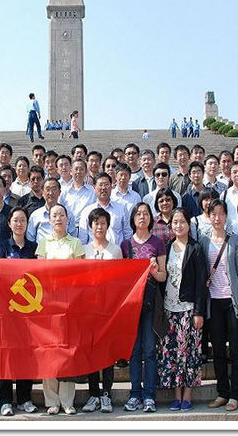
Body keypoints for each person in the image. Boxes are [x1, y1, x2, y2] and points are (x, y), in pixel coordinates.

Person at [36, 203, 86, 415]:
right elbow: (39, 272)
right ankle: (51, 401)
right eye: (54, 215)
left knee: (67, 351)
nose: (58, 218)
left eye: (61, 215)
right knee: (49, 351)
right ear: (49, 220)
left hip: (69, 304)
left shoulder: (76, 243)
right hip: (48, 304)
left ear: (67, 218)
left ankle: (67, 401)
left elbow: (81, 274)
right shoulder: (43, 243)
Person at [202, 199, 238, 412]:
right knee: (218, 349)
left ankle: (235, 395)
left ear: (226, 216)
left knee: (237, 349)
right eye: (213, 214)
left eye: (221, 213)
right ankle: (222, 392)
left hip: (232, 300)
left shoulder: (234, 240)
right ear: (209, 216)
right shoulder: (203, 240)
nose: (217, 218)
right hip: (213, 302)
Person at [159, 207, 207, 412]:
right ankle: (176, 394)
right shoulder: (166, 247)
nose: (178, 225)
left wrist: (199, 311)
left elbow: (201, 282)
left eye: (182, 222)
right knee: (172, 353)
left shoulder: (195, 248)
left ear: (189, 225)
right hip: (169, 309)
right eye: (175, 222)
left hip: (188, 309)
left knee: (189, 353)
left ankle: (187, 394)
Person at [120, 203, 167, 413]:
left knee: (149, 350)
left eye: (146, 213)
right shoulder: (126, 245)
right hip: (131, 305)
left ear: (151, 218)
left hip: (151, 303)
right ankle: (135, 394)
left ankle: (149, 395)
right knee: (134, 351)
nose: (142, 217)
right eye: (138, 214)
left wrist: (154, 269)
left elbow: (163, 276)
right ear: (133, 218)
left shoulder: (158, 243)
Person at [0, 207, 39, 415]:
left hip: (29, 310)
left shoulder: (34, 248)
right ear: (9, 223)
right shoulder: (3, 247)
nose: (19, 224)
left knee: (26, 354)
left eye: (23, 220)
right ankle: (5, 399)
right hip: (7, 309)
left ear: (27, 224)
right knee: (6, 353)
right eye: (16, 220)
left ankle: (24, 398)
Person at [78, 172, 132, 246]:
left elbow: (128, 234)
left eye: (106, 184)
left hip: (117, 251)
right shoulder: (87, 211)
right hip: (93, 252)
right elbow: (83, 238)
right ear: (94, 187)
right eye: (100, 185)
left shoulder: (121, 209)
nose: (103, 188)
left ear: (111, 187)